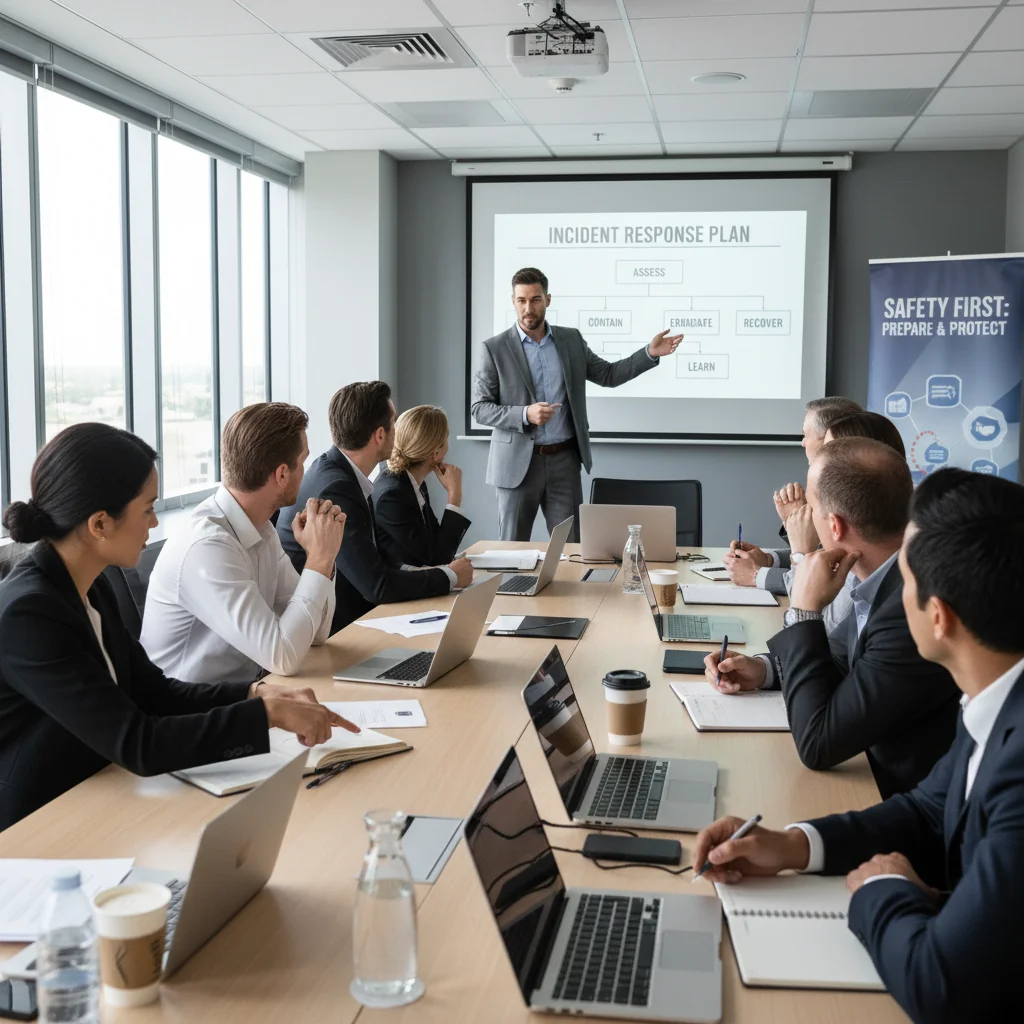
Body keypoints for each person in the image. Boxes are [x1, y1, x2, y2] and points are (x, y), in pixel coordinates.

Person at [693, 468, 1024, 1024]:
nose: (895, 593)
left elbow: (940, 986)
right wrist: (794, 846)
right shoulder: (994, 696)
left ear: (939, 618)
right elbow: (928, 810)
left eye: (907, 582)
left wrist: (885, 887)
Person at [0, 423, 357, 833]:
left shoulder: (89, 584)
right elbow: (138, 742)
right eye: (148, 509)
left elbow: (155, 692)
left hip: (102, 793)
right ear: (100, 524)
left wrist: (254, 692)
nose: (154, 524)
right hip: (39, 824)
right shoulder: (29, 614)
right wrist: (265, 714)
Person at [705, 437, 960, 798]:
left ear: (835, 527)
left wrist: (804, 610)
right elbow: (843, 661)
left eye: (810, 508)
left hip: (896, 796)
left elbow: (818, 744)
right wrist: (763, 670)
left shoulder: (911, 605)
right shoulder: (885, 574)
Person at [471, 267, 684, 542]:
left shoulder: (570, 340)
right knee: (512, 549)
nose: (528, 308)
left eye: (535, 299)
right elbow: (479, 408)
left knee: (571, 551)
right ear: (513, 301)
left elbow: (608, 374)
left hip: (564, 462)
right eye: (521, 300)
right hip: (516, 466)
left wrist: (649, 353)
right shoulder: (494, 348)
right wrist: (525, 414)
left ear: (547, 299)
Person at [141, 403, 344, 684]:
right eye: (303, 461)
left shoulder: (261, 529)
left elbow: (316, 634)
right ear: (282, 474)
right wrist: (319, 559)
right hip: (191, 715)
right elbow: (282, 656)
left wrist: (324, 558)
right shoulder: (208, 547)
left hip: (244, 697)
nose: (306, 471)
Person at [278, 382, 473, 634]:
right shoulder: (338, 488)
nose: (398, 431)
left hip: (343, 616)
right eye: (394, 424)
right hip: (329, 630)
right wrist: (450, 576)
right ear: (380, 435)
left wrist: (439, 572)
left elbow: (377, 562)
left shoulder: (339, 473)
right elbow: (377, 586)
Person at [726, 396, 861, 593]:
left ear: (829, 440)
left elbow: (826, 582)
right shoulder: (834, 486)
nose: (802, 443)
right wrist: (769, 559)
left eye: (806, 435)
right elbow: (822, 553)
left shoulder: (850, 494)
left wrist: (756, 575)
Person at [372, 405, 471, 570]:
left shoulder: (413, 483)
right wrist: (454, 496)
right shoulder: (392, 496)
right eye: (446, 437)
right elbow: (437, 559)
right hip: (407, 590)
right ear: (435, 453)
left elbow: (436, 545)